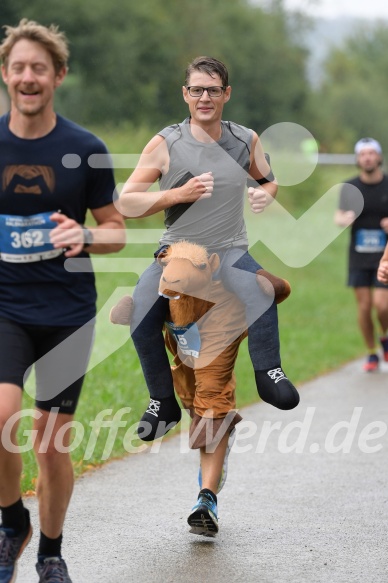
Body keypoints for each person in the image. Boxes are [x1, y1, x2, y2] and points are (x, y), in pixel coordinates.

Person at [117, 56, 299, 535]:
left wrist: (266, 193)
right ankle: (161, 400)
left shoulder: (244, 139)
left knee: (260, 288)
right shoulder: (166, 143)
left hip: (231, 252)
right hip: (175, 254)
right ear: (185, 94)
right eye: (196, 89)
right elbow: (125, 201)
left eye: (212, 90)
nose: (204, 98)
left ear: (226, 94)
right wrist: (175, 195)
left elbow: (268, 179)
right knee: (138, 307)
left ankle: (270, 371)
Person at [0, 19, 125, 583]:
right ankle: (11, 523)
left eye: (39, 68)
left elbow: (116, 229)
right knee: (0, 415)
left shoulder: (84, 149)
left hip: (68, 313)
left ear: (58, 76)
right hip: (5, 305)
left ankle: (51, 552)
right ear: (6, 75)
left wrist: (86, 237)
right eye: (19, 67)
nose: (29, 77)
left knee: (52, 444)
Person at [335, 137, 388, 372]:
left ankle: (384, 338)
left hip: (385, 255)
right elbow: (338, 216)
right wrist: (344, 219)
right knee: (365, 307)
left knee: (382, 305)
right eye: (362, 154)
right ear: (358, 159)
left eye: (371, 153)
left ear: (378, 157)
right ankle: (371, 352)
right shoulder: (350, 187)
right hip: (358, 255)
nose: (367, 157)